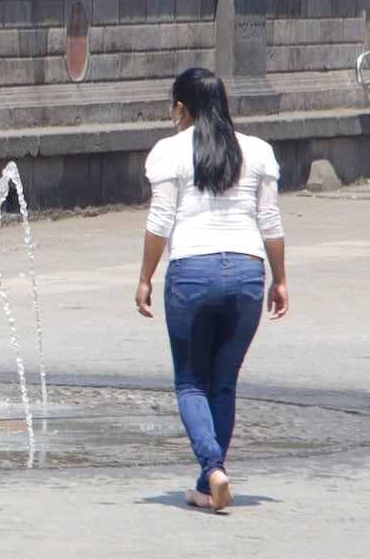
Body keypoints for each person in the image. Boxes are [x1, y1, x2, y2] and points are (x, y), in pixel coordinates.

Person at [135, 68, 288, 512]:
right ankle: (208, 484)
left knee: (190, 383)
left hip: (191, 273)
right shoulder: (258, 151)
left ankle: (214, 469)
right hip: (247, 272)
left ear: (180, 108)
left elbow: (160, 222)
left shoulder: (169, 151)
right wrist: (279, 279)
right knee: (222, 384)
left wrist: (145, 277)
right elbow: (271, 224)